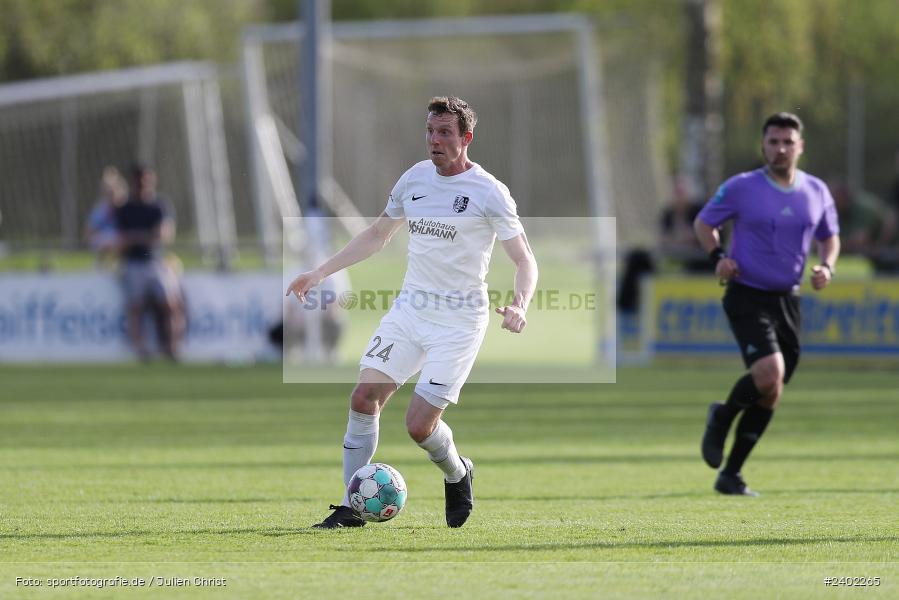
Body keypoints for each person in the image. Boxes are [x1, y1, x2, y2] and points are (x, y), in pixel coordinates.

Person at [286, 96, 538, 528]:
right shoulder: (414, 180)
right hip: (410, 311)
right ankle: (350, 507)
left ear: (466, 139)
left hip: (459, 322)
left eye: (444, 133)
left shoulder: (488, 192)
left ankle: (458, 472)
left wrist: (520, 304)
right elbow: (377, 234)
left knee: (419, 426)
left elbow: (524, 259)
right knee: (363, 399)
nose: (434, 141)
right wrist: (320, 272)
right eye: (430, 132)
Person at [694, 112, 840, 496]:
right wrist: (718, 258)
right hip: (746, 292)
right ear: (763, 145)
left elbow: (830, 236)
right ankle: (721, 417)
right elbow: (703, 223)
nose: (780, 149)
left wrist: (827, 266)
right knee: (768, 373)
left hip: (788, 299)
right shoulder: (742, 187)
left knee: (772, 390)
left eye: (787, 142)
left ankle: (731, 475)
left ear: (800, 146)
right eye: (773, 141)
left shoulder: (816, 191)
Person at [115, 163, 185, 361]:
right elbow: (122, 239)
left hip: (155, 262)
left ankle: (172, 347)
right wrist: (146, 235)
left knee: (170, 304)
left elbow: (164, 235)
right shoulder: (126, 208)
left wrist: (137, 236)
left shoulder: (159, 205)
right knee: (135, 306)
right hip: (133, 263)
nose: (144, 184)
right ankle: (140, 349)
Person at [85, 166, 128, 268]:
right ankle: (101, 266)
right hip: (103, 239)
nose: (112, 196)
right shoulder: (100, 210)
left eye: (114, 192)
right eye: (108, 193)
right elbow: (89, 231)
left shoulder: (126, 209)